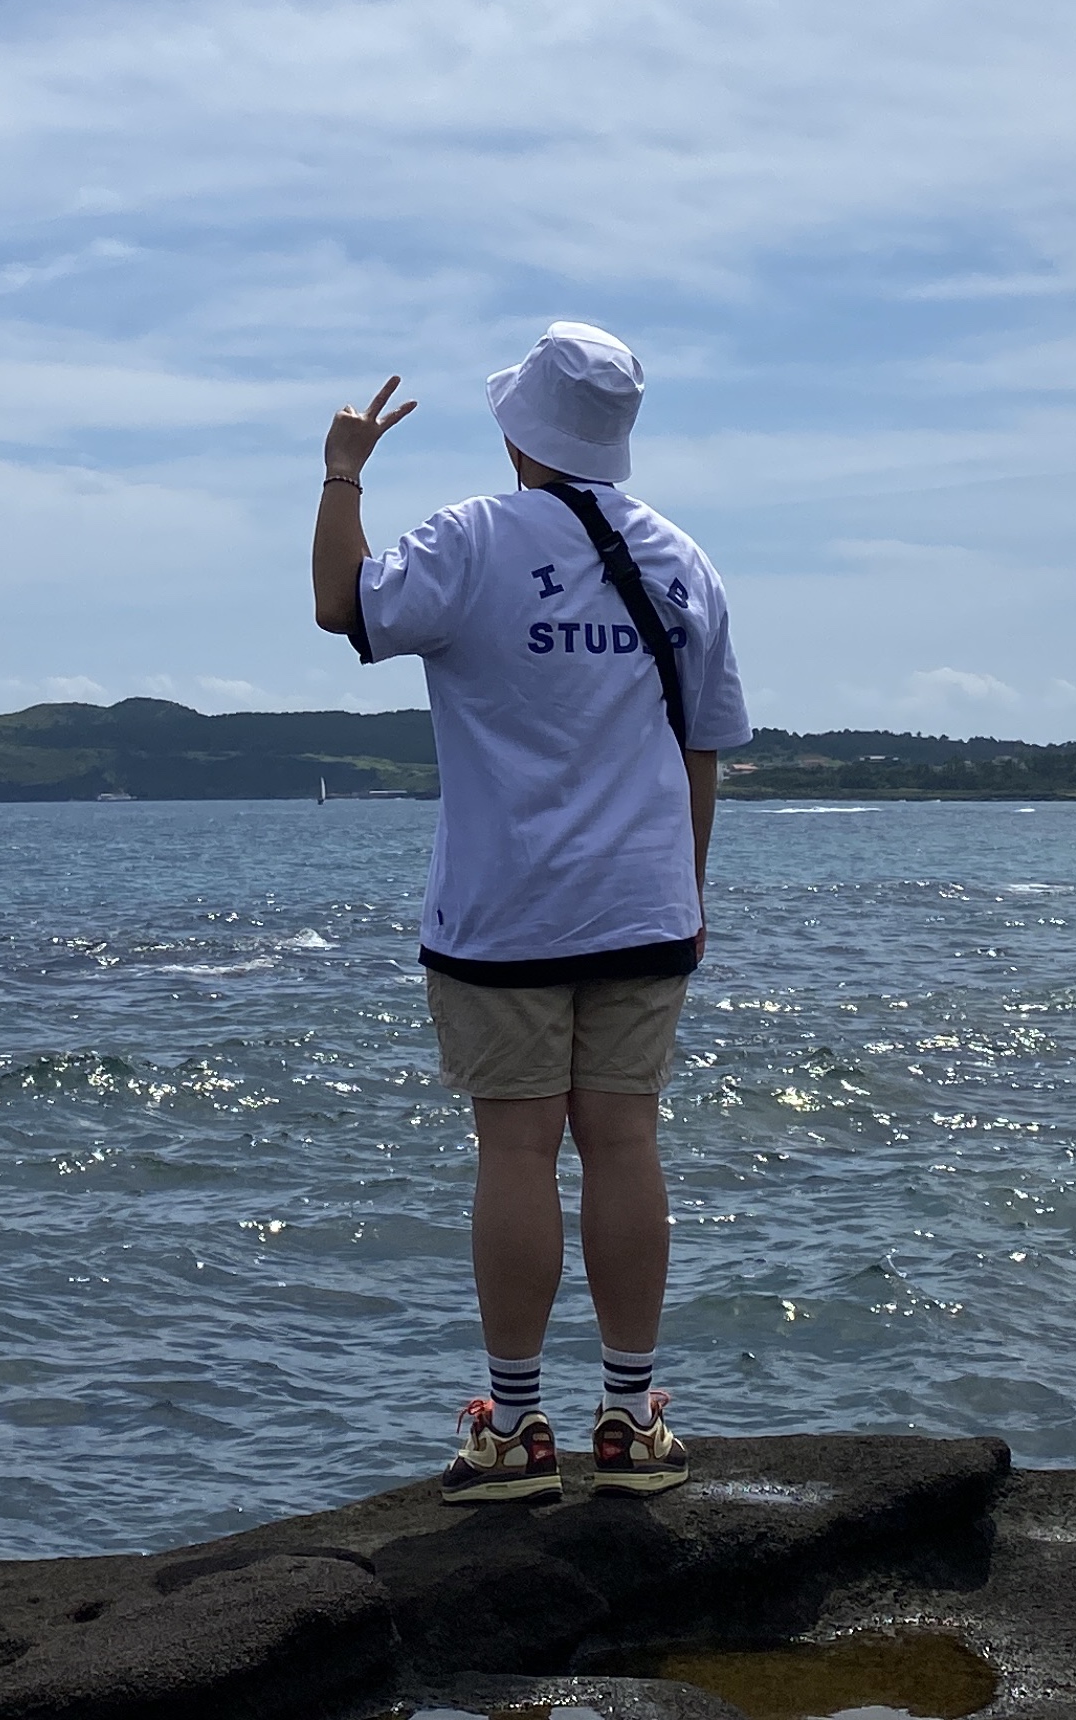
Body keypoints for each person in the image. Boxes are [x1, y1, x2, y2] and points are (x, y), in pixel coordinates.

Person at [312, 321, 749, 1504]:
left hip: (502, 910)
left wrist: (343, 470)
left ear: (517, 431)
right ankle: (630, 1419)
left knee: (515, 1149)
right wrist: (688, 892)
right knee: (625, 1142)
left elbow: (341, 606)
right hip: (644, 905)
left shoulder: (469, 538)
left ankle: (511, 1429)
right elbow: (701, 745)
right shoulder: (682, 560)